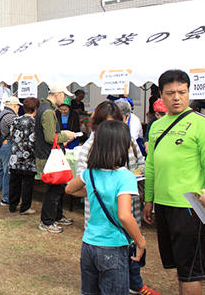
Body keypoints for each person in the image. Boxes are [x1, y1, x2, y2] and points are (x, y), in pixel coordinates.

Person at [143, 69, 205, 295]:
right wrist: (149, 200)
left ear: (188, 93)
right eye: (170, 93)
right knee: (179, 266)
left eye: (181, 92)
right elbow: (151, 165)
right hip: (164, 205)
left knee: (191, 271)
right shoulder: (156, 125)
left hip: (190, 206)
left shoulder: (202, 124)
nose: (176, 97)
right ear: (161, 95)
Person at [76, 101, 157, 295]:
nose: (110, 130)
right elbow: (81, 183)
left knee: (127, 253)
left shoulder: (128, 143)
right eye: (105, 125)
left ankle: (135, 283)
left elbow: (141, 164)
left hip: (126, 210)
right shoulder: (89, 148)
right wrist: (106, 188)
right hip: (104, 223)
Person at [66, 120, 146, 295]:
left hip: (89, 246)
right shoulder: (125, 177)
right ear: (123, 146)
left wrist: (95, 192)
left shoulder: (89, 173)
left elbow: (69, 189)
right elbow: (124, 215)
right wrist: (140, 242)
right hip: (113, 247)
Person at [36, 84, 77, 233]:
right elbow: (49, 137)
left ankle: (57, 216)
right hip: (50, 155)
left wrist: (63, 133)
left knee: (58, 188)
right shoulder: (47, 111)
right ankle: (47, 221)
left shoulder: (45, 108)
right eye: (64, 95)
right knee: (54, 190)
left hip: (50, 154)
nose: (65, 99)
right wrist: (66, 135)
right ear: (58, 94)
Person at [8, 97, 39, 215]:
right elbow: (36, 140)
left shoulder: (16, 120)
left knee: (14, 182)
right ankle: (25, 207)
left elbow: (11, 135)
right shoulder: (35, 122)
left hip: (15, 155)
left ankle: (12, 205)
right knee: (27, 183)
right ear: (36, 109)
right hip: (29, 157)